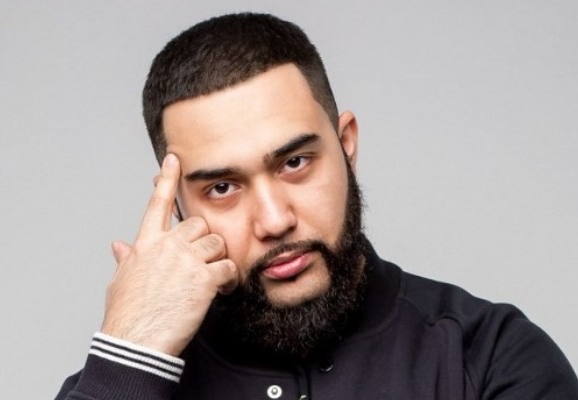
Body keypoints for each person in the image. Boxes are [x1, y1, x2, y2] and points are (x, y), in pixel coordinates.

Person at [56, 13, 578, 399]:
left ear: (346, 145)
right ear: (176, 206)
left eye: (295, 162)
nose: (274, 220)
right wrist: (131, 353)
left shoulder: (490, 356)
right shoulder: (118, 377)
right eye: (222, 187)